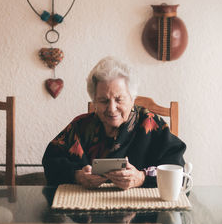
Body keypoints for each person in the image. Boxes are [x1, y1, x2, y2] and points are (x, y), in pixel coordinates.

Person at [42, 56, 186, 189]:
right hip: (88, 209)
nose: (111, 109)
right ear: (95, 101)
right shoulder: (81, 126)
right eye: (104, 100)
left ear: (132, 99)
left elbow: (178, 168)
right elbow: (50, 162)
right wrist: (77, 175)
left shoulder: (150, 123)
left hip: (143, 213)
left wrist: (142, 177)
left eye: (119, 99)